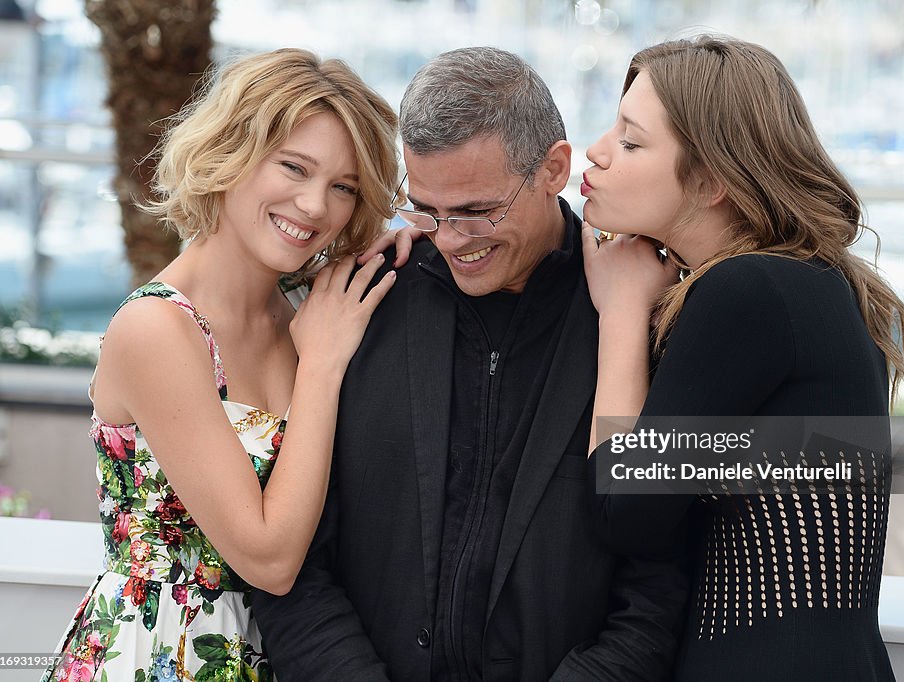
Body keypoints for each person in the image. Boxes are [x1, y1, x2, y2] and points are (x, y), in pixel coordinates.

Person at [251, 46, 688, 680]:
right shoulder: (353, 306)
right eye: (426, 208)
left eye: (479, 211)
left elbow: (661, 584)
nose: (450, 238)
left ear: (555, 168)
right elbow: (292, 563)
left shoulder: (641, 315)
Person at [42, 48, 400, 682]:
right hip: (163, 655)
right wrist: (320, 367)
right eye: (294, 167)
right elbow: (269, 558)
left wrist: (416, 237)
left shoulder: (306, 312)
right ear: (230, 154)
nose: (316, 206)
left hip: (292, 651)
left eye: (344, 187)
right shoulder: (159, 329)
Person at [581, 36, 904, 681]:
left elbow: (621, 512)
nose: (597, 151)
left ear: (711, 180)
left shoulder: (749, 291)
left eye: (630, 141)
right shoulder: (810, 283)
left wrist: (622, 314)